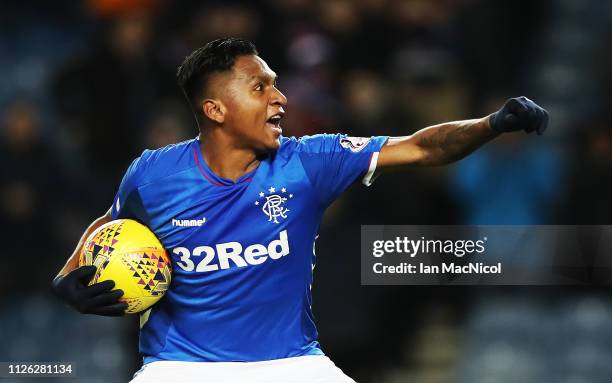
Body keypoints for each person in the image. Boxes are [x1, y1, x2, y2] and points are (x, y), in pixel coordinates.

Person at [51, 38, 549, 382]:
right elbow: (112, 223)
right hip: (181, 367)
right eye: (260, 87)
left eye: (275, 83)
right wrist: (70, 274)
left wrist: (490, 124)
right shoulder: (153, 175)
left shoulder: (309, 162)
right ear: (216, 109)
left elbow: (422, 148)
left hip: (291, 364)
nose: (280, 97)